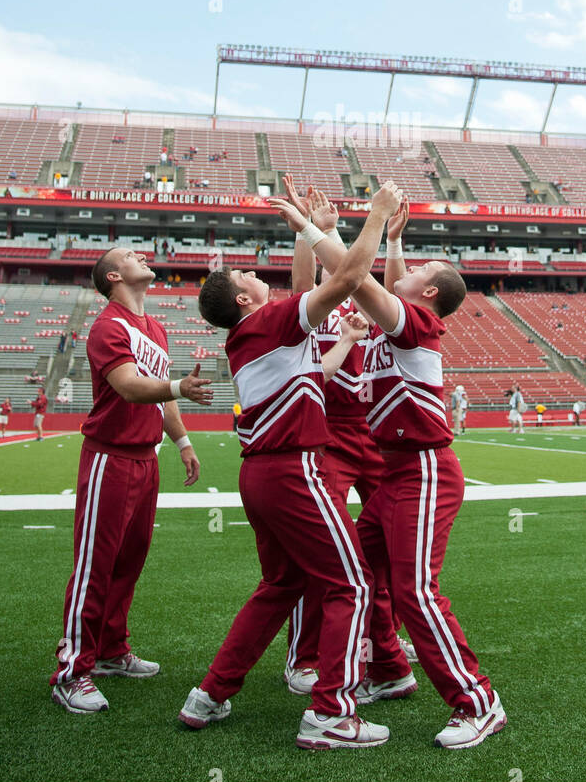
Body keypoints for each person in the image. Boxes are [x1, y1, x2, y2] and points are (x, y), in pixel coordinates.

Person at [178, 182, 404, 751]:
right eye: (249, 277)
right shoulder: (270, 322)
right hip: (293, 470)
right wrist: (372, 216)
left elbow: (309, 334)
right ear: (248, 300)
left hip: (260, 475)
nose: (259, 275)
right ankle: (332, 712)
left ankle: (210, 693)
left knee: (279, 584)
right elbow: (347, 279)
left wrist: (307, 233)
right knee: (351, 582)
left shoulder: (253, 334)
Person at [301, 193, 506, 749]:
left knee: (416, 590)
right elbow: (379, 282)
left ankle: (478, 701)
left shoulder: (415, 323)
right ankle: (389, 671)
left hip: (425, 471)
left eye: (417, 270)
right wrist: (392, 240)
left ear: (430, 293)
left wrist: (312, 227)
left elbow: (353, 277)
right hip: (395, 474)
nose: (406, 273)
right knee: (357, 576)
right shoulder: (404, 316)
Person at [50, 247, 209, 716]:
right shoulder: (107, 326)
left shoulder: (155, 328)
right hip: (110, 459)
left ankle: (112, 652)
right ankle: (72, 671)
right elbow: (128, 386)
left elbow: (160, 400)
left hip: (146, 458)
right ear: (114, 275)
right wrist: (178, 386)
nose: (141, 255)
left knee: (128, 561)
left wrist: (182, 442)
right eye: (128, 255)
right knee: (95, 566)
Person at [279, 177, 417, 695]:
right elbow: (299, 291)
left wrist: (396, 242)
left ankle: (381, 641)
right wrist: (308, 231)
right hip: (329, 433)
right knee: (323, 547)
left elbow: (400, 288)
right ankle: (305, 655)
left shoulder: (378, 302)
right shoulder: (328, 300)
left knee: (388, 543)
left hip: (374, 432)